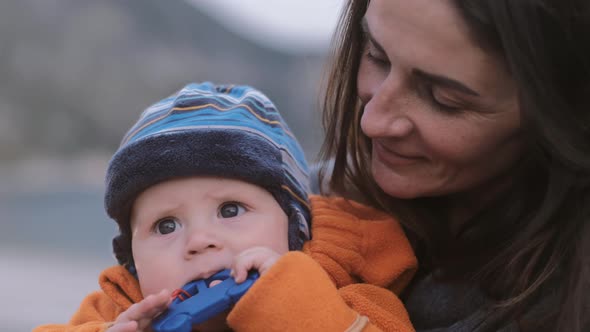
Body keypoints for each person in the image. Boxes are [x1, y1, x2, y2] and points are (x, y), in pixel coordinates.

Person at [34, 82, 417, 332]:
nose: (200, 241)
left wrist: (302, 309)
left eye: (231, 210)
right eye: (166, 226)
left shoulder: (343, 287)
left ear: (295, 225)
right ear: (132, 257)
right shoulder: (119, 310)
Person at [312, 0, 589, 331]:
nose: (373, 123)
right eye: (377, 56)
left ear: (564, 116)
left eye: (444, 100)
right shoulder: (303, 201)